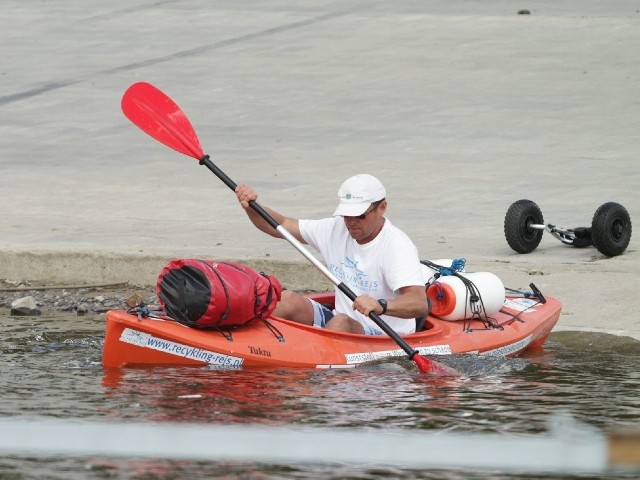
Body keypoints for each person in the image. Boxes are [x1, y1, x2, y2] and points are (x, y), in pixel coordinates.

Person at [234, 173, 428, 335]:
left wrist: (381, 305)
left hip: (384, 333)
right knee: (288, 300)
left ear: (382, 208)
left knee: (340, 323)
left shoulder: (397, 245)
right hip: (340, 320)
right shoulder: (334, 229)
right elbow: (281, 225)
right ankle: (245, 339)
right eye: (347, 215)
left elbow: (419, 303)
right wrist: (251, 207)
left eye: (359, 215)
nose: (351, 222)